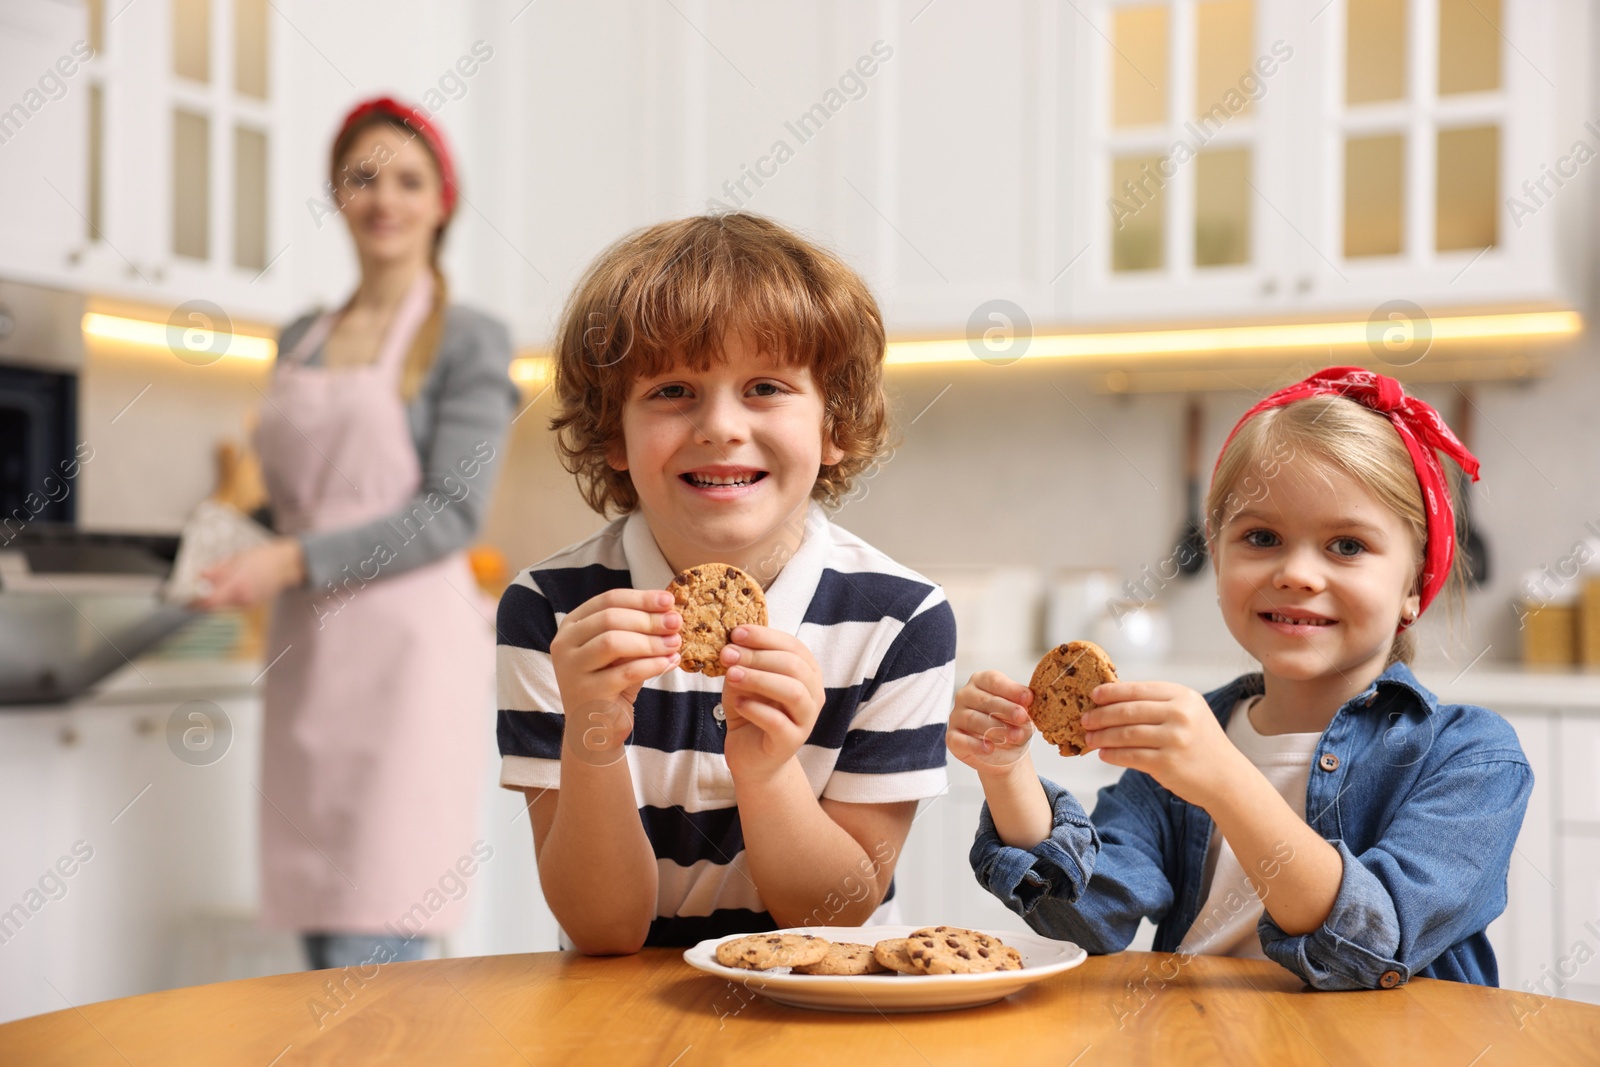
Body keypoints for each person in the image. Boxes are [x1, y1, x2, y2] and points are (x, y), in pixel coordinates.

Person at [948, 367, 1532, 992]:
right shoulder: (1186, 741)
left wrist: (1224, 779)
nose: (1298, 573)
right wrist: (1007, 771)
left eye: (1347, 546)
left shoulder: (1471, 759)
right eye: (1262, 537)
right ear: (1219, 554)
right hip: (1194, 1040)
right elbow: (1089, 915)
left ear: (1414, 585)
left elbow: (1371, 941)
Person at [495, 213, 956, 953]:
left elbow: (838, 911)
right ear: (613, 431)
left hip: (826, 1007)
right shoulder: (554, 614)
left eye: (766, 386)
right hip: (621, 1012)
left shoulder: (899, 621)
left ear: (833, 422)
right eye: (673, 389)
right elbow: (602, 928)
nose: (720, 426)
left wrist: (768, 775)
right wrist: (593, 736)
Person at [195, 97, 518, 971]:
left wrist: (289, 558)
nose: (385, 199)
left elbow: (453, 510)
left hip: (406, 659)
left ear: (441, 201)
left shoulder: (468, 340)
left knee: (378, 920)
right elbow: (302, 499)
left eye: (409, 180)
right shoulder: (300, 337)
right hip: (311, 651)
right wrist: (229, 547)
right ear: (336, 193)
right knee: (321, 919)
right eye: (363, 177)